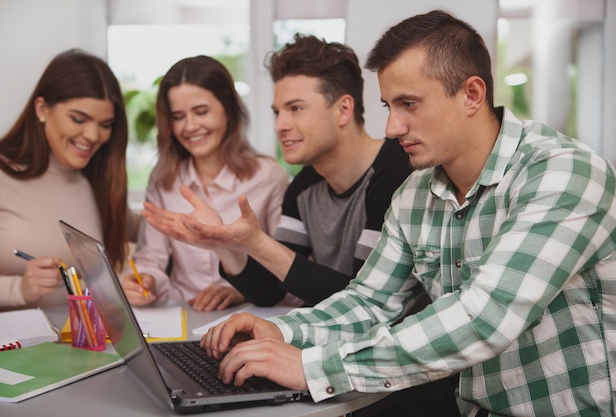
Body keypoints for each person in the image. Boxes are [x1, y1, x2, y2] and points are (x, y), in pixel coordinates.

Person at [148, 10, 616, 417]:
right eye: (390, 106)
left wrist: (312, 366)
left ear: (472, 94)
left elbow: (484, 318)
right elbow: (369, 301)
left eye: (409, 104)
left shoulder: (563, 173)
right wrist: (281, 328)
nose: (392, 126)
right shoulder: (417, 191)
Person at [142, 34, 414, 310]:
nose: (280, 125)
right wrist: (221, 242)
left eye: (296, 108)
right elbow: (270, 291)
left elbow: (365, 298)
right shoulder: (304, 187)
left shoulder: (397, 172)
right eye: (277, 112)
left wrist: (256, 241)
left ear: (343, 109)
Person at [120, 55, 289, 312]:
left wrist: (239, 290)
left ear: (228, 109)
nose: (190, 126)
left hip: (250, 313)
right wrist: (146, 279)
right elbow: (150, 258)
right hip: (183, 314)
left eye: (201, 112)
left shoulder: (268, 176)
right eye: (178, 116)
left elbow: (286, 266)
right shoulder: (163, 178)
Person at [0, 49, 133, 311]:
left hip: (80, 346)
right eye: (78, 119)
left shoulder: (97, 179)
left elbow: (146, 227)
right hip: (8, 347)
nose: (93, 135)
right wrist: (17, 289)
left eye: (106, 124)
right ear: (42, 109)